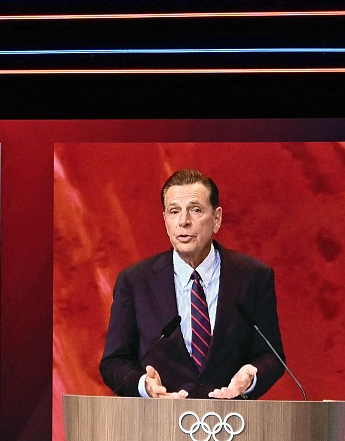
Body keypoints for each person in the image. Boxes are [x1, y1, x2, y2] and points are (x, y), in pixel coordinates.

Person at [99, 169, 286, 402]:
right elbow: (113, 362)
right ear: (165, 220)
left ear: (216, 218)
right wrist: (143, 385)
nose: (183, 221)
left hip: (232, 425)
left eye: (195, 210)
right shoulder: (135, 281)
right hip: (158, 426)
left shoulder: (253, 276)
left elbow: (271, 354)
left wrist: (251, 378)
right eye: (174, 211)